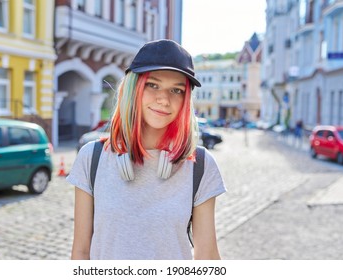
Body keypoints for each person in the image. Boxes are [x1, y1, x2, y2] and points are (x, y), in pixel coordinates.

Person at [66, 39, 226, 260]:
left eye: (176, 90)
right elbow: (81, 252)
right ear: (133, 88)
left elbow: (207, 256)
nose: (164, 99)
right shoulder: (91, 158)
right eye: (153, 85)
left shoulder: (201, 165)